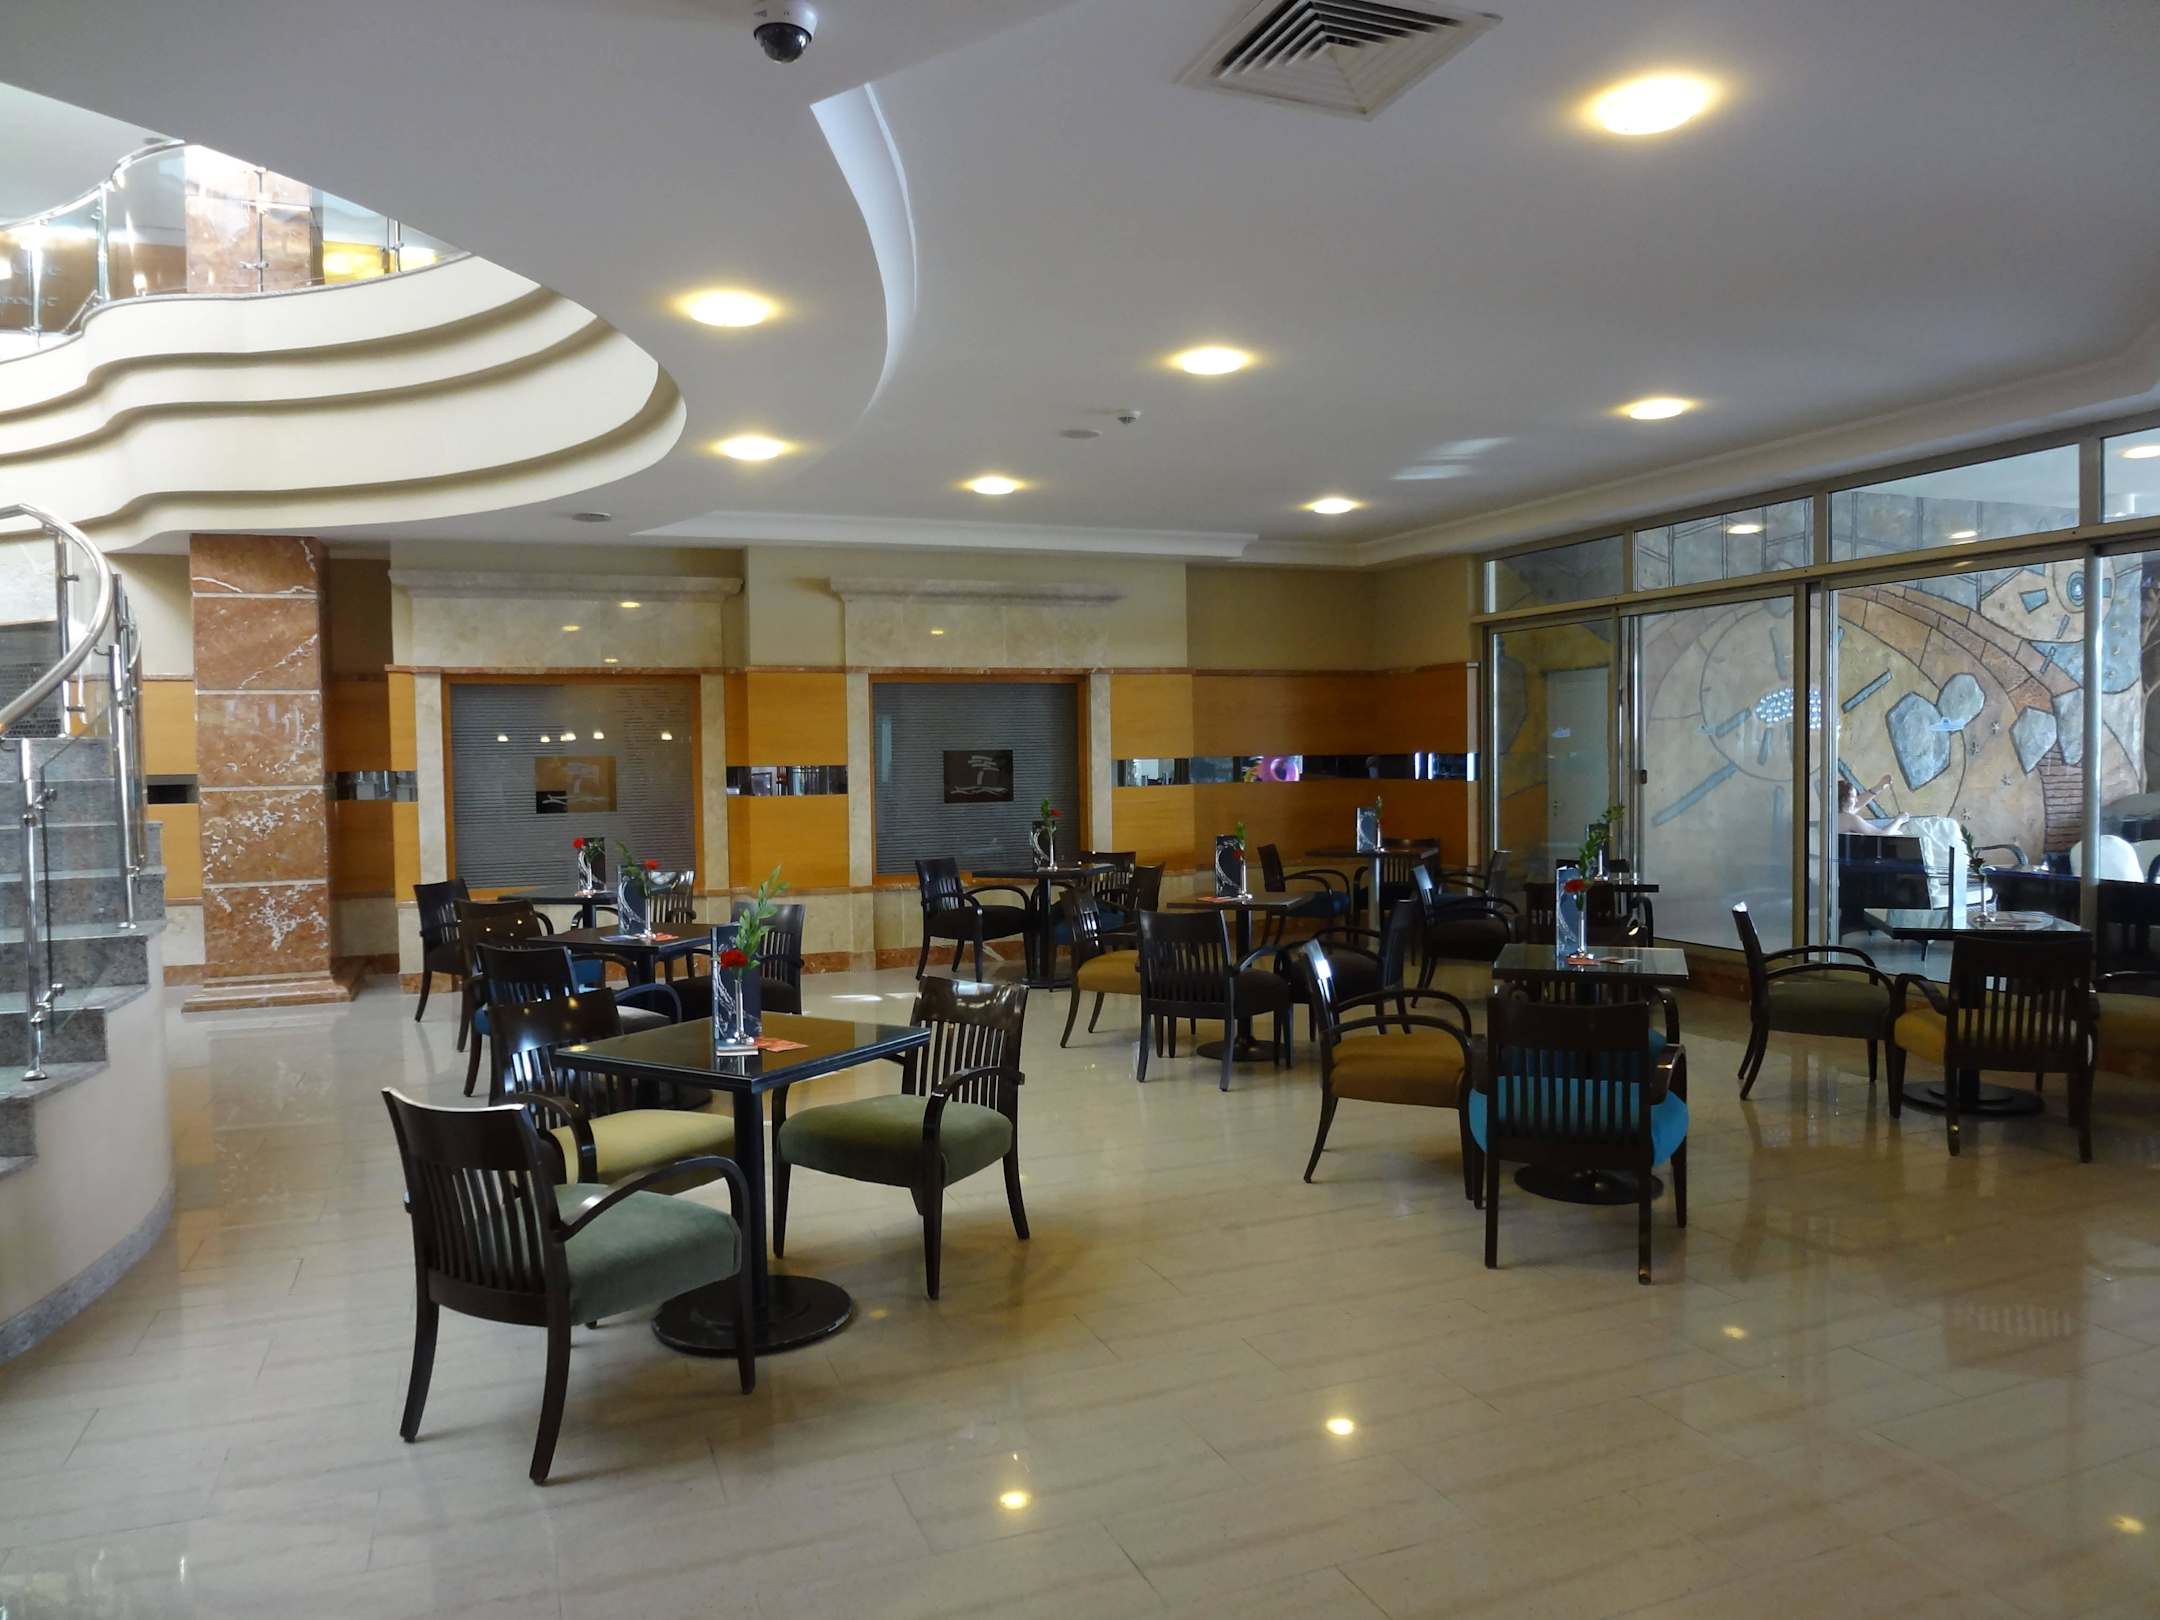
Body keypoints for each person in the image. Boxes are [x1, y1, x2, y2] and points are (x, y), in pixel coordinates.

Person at [1838, 775, 1907, 836]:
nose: (1856, 800)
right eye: (1853, 797)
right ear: (1844, 800)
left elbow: (1858, 804)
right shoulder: (1850, 819)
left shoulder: (1836, 815)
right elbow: (1881, 835)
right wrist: (1899, 820)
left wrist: (1880, 786)